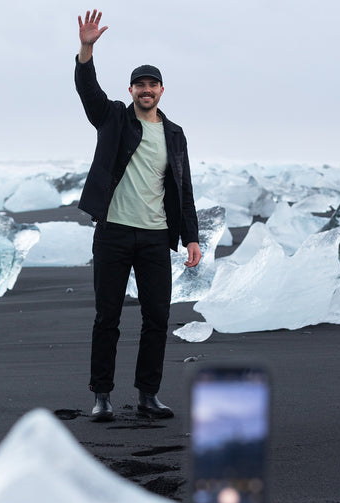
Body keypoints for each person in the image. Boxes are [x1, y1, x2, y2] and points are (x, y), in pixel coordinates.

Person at [75, 9, 201, 422]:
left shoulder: (175, 134)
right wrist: (87, 49)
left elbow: (182, 188)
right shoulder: (113, 118)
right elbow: (87, 89)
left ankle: (148, 395)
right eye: (140, 85)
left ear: (162, 90)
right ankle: (102, 396)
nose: (146, 90)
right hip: (113, 232)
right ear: (131, 89)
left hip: (153, 236)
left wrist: (191, 237)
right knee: (107, 316)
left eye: (152, 84)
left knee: (157, 318)